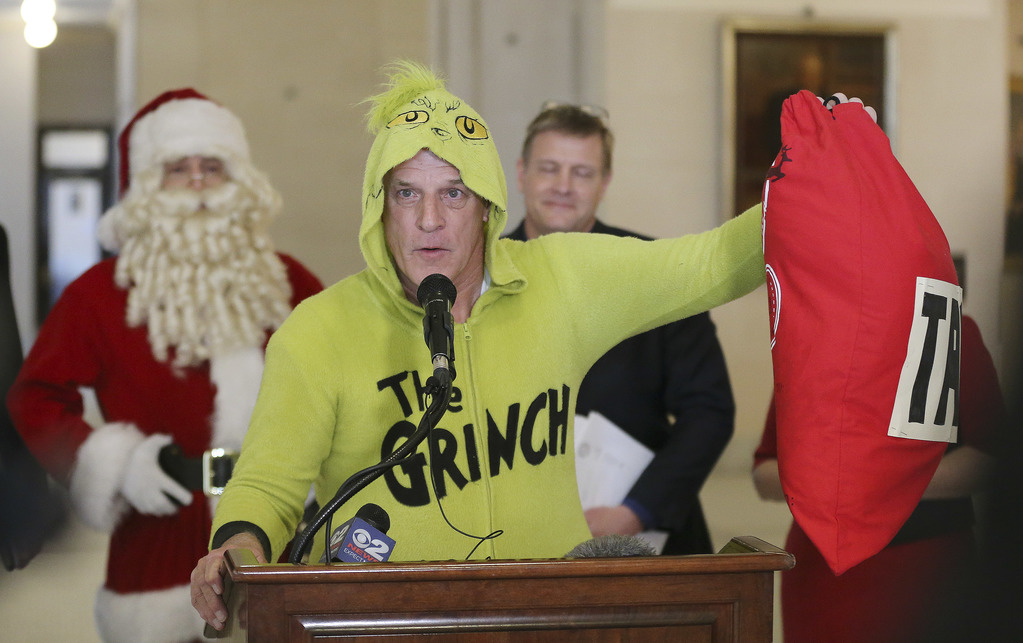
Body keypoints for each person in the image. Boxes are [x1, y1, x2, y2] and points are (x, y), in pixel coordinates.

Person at [189, 60, 776, 632]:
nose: (428, 221)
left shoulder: (562, 280)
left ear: (490, 206)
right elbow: (268, 483)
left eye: (453, 194)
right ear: (378, 206)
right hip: (385, 624)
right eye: (405, 194)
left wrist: (810, 174)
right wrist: (238, 545)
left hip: (556, 620)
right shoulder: (320, 330)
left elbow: (713, 263)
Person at [7, 88, 323, 642]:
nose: (198, 183)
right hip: (156, 541)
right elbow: (36, 396)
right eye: (178, 168)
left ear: (240, 180)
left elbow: (337, 386)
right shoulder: (100, 295)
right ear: (149, 187)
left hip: (275, 531)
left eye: (213, 166)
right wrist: (113, 462)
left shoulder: (287, 282)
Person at [504, 103, 734, 554]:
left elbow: (709, 410)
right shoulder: (478, 276)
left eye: (582, 173)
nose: (563, 187)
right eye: (549, 169)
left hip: (643, 538)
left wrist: (635, 511)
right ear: (521, 173)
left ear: (605, 182)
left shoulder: (656, 273)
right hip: (509, 538)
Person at [752, 314, 1004, 643]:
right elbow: (764, 469)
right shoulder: (813, 334)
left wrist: (878, 484)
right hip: (822, 575)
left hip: (925, 568)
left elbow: (991, 455)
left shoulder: (949, 327)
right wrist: (827, 484)